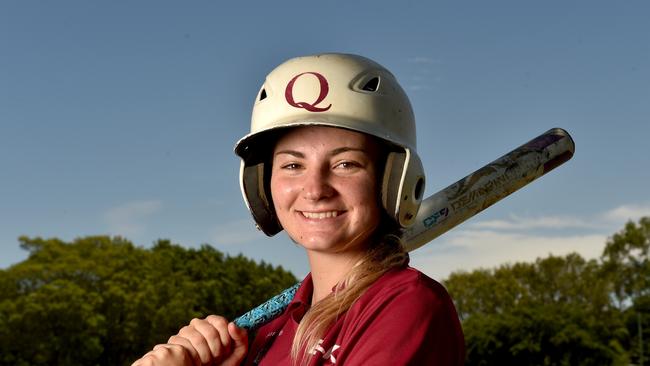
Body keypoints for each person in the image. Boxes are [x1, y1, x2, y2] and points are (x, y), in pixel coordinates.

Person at [132, 53, 465, 365]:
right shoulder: (264, 335)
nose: (315, 190)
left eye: (346, 163)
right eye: (293, 165)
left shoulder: (406, 307)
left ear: (394, 180)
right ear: (262, 184)